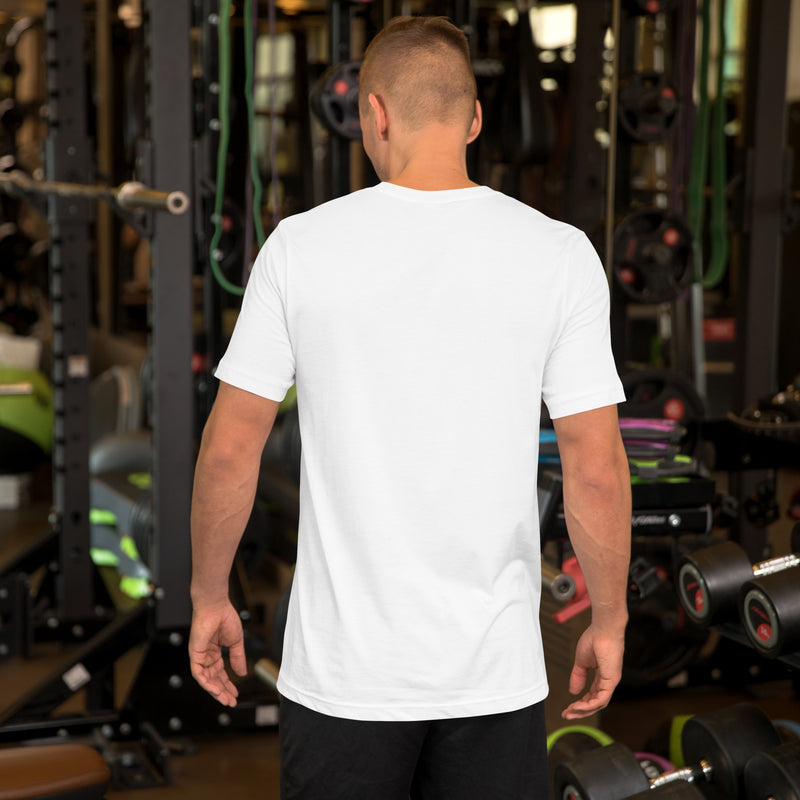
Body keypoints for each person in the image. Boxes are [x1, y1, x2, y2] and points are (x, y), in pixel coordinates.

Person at [189, 15, 631, 800]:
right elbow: (594, 466)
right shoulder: (559, 253)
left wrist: (209, 596)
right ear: (475, 118)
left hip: (344, 676)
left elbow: (229, 450)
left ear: (374, 114)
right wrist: (611, 618)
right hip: (494, 675)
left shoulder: (300, 246)